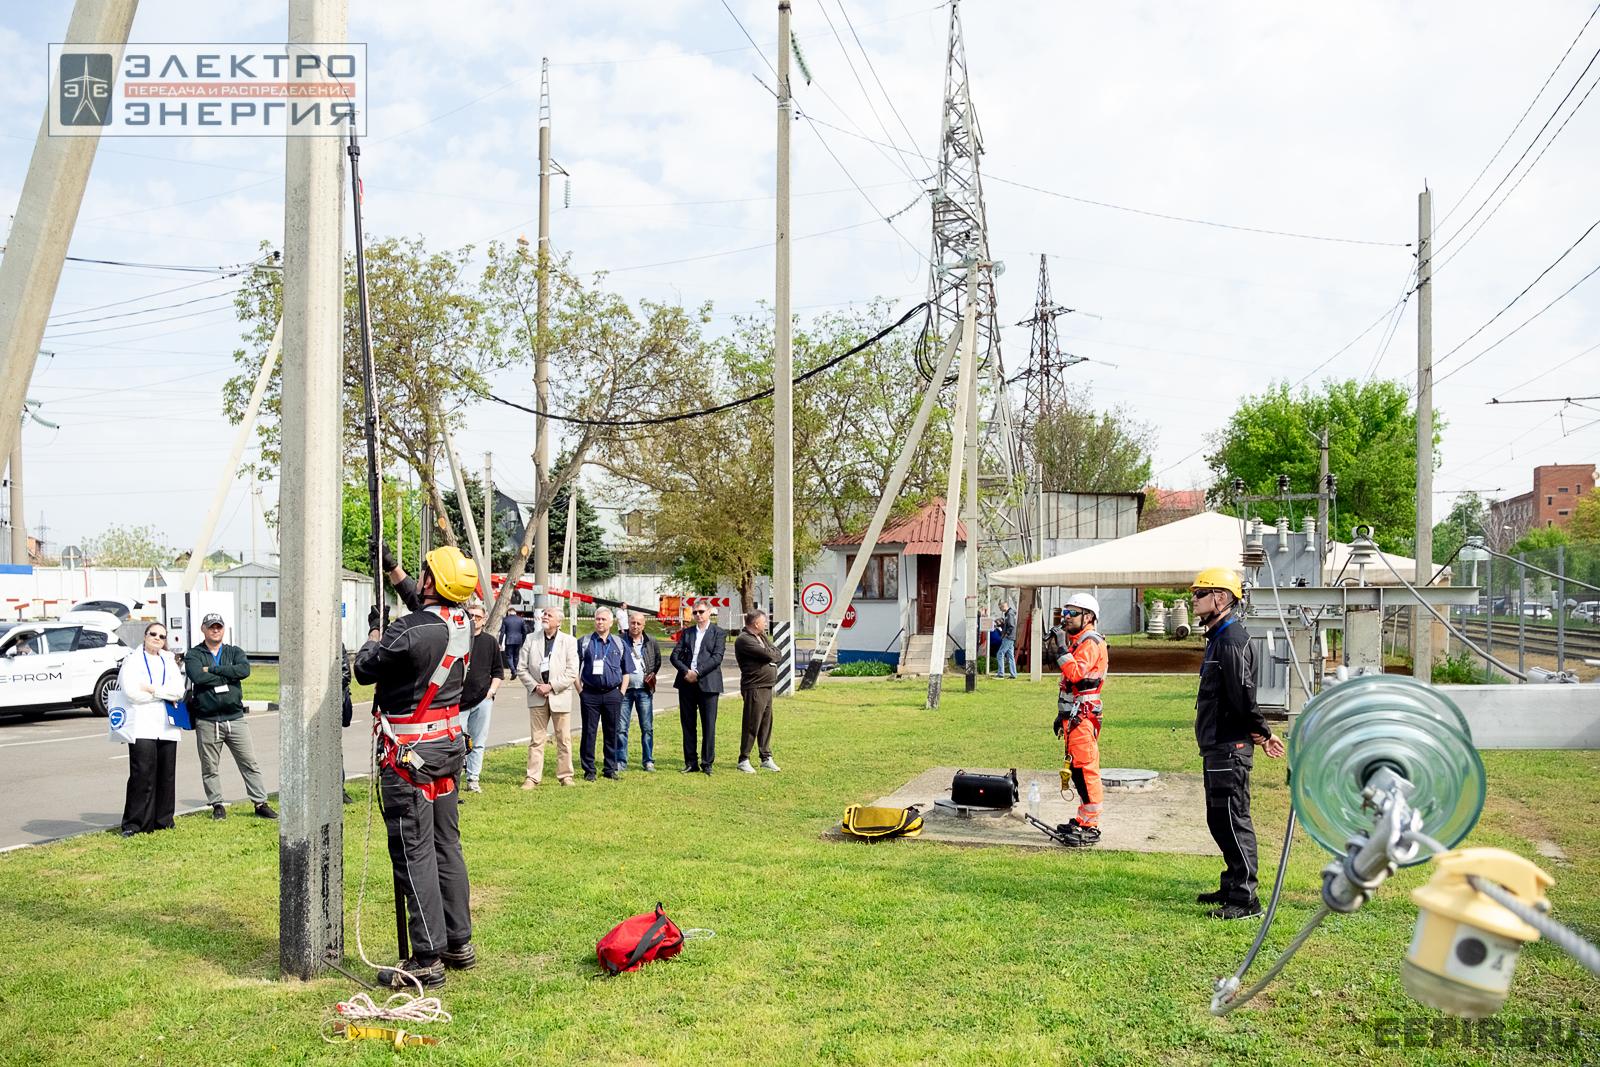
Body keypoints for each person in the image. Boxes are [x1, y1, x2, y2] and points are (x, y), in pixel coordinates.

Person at [355, 545, 480, 988]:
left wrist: (374, 631)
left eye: (425, 573)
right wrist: (393, 569)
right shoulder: (463, 623)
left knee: (415, 852)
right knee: (447, 845)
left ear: (433, 583)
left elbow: (364, 670)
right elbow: (425, 611)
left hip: (409, 759)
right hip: (446, 751)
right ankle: (457, 941)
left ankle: (426, 957)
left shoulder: (407, 631)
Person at [1190, 567, 1285, 921]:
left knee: (1233, 817)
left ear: (1221, 598)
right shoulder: (1217, 637)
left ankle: (1246, 899)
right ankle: (1232, 884)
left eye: (1201, 594)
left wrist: (1262, 731)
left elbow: (1242, 696)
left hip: (1231, 747)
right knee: (1219, 818)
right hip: (1217, 744)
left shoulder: (1231, 641)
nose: (1194, 600)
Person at [184, 613, 276, 821]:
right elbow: (197, 676)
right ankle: (217, 804)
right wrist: (227, 674)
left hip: (235, 718)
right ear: (203, 629)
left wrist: (213, 670)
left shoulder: (234, 651)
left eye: (219, 627)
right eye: (211, 627)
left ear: (223, 629)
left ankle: (260, 803)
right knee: (210, 766)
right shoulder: (194, 654)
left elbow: (243, 670)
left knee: (249, 762)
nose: (215, 630)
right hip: (207, 720)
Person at [1049, 593, 1108, 847]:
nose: (1067, 617)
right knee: (1075, 770)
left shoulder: (1091, 642)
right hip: (1073, 717)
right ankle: (1083, 818)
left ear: (1088, 617)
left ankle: (1091, 824)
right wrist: (1061, 715)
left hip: (1083, 717)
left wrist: (1060, 647)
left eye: (1073, 613)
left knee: (1085, 770)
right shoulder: (1079, 642)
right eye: (1065, 613)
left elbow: (1074, 673)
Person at [116, 622, 185, 836]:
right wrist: (163, 693)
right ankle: (135, 824)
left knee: (166, 775)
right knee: (142, 774)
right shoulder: (133, 660)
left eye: (162, 636)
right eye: (153, 634)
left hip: (167, 725)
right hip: (142, 724)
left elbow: (178, 691)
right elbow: (131, 692)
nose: (157, 638)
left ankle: (163, 821)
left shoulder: (168, 661)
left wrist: (152, 690)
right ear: (145, 636)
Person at [516, 604, 578, 788]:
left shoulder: (569, 641)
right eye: (544, 614)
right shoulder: (531, 639)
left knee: (564, 739)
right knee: (537, 739)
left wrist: (551, 686)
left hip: (559, 696)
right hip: (537, 696)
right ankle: (532, 777)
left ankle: (566, 776)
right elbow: (521, 668)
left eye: (549, 615)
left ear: (559, 621)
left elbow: (572, 671)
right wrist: (536, 687)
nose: (544, 617)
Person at [576, 607, 633, 781]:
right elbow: (573, 669)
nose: (599, 622)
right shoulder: (584, 642)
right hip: (590, 694)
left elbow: (626, 671)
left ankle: (610, 768)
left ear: (611, 622)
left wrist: (621, 693)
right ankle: (589, 770)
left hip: (612, 695)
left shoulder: (619, 643)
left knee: (612, 731)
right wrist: (581, 692)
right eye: (597, 619)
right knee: (589, 732)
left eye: (603, 619)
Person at [671, 602, 726, 775]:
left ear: (709, 612)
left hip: (708, 683)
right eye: (695, 612)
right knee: (688, 724)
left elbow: (717, 658)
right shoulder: (687, 633)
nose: (698, 615)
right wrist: (686, 671)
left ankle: (707, 762)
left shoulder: (718, 633)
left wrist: (697, 672)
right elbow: (674, 656)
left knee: (708, 724)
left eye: (701, 612)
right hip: (686, 682)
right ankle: (690, 762)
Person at [459, 599, 502, 794]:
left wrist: (490, 692)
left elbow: (498, 671)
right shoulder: (457, 639)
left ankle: (473, 778)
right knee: (456, 743)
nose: (474, 620)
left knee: (477, 742)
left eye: (478, 617)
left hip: (482, 700)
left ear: (484, 620)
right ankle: (452, 778)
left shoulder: (490, 642)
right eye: (471, 616)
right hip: (456, 702)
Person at [734, 609, 783, 774]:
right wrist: (771, 655)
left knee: (766, 723)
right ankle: (744, 758)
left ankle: (765, 757)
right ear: (755, 623)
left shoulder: (761, 636)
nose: (766, 624)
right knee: (751, 722)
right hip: (754, 686)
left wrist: (771, 654)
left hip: (766, 686)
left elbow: (777, 653)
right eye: (764, 621)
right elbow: (767, 654)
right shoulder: (744, 640)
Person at [618, 611, 660, 772]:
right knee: (621, 728)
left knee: (647, 727)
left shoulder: (651, 642)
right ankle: (621, 761)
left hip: (644, 690)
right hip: (624, 691)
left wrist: (650, 676)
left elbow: (657, 661)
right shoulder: (620, 641)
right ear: (628, 623)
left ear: (644, 625)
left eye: (638, 623)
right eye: (633, 622)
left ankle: (648, 760)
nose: (635, 626)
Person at [500, 607, 529, 677]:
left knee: (509, 656)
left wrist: (500, 642)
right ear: (515, 612)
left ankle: (513, 670)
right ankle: (515, 669)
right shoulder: (521, 619)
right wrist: (523, 640)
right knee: (516, 656)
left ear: (509, 612)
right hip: (519, 640)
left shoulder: (505, 620)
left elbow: (502, 632)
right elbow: (525, 631)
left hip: (509, 640)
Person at [996, 599, 1018, 678]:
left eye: (1000, 608)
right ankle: (1013, 674)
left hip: (1008, 637)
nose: (1000, 610)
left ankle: (1001, 673)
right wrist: (1002, 625)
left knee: (1000, 654)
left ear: (1003, 606)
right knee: (1010, 656)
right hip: (1011, 637)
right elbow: (1009, 625)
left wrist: (1006, 634)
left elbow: (1011, 626)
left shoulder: (1009, 614)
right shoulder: (1009, 613)